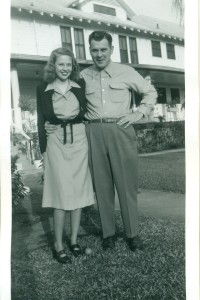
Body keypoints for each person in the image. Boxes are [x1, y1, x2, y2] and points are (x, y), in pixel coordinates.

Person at [46, 31, 157, 252]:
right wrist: (50, 122)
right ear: (90, 51)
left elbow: (150, 92)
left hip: (121, 129)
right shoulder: (82, 76)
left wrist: (139, 113)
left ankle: (132, 234)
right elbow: (61, 97)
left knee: (126, 186)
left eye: (103, 49)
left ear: (111, 49)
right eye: (94, 50)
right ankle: (109, 234)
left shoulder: (126, 71)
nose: (99, 54)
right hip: (93, 132)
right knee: (102, 186)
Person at [37, 48, 94, 263]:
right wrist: (43, 146)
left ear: (73, 67)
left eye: (68, 65)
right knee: (60, 194)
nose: (65, 68)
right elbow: (41, 120)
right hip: (56, 141)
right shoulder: (42, 88)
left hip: (78, 139)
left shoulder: (80, 86)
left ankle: (73, 240)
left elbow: (85, 112)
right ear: (53, 66)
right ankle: (58, 244)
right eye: (61, 64)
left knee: (78, 191)